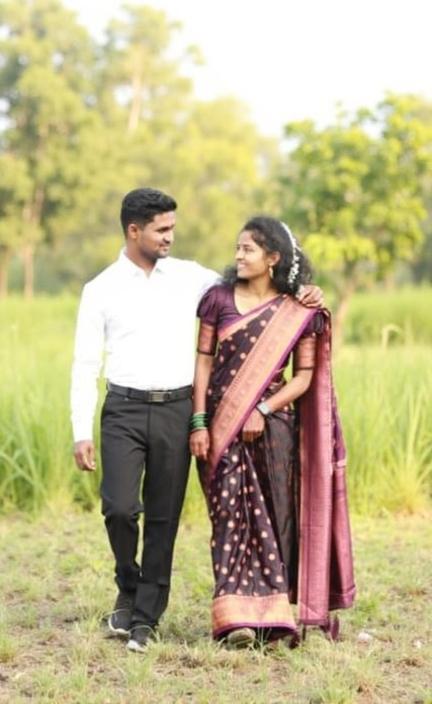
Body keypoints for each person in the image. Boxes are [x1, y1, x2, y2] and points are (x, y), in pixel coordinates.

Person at [71, 189, 324, 654]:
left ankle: (146, 616)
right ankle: (128, 584)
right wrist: (80, 430)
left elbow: (254, 288)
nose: (170, 236)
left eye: (172, 228)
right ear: (134, 230)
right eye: (161, 229)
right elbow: (85, 364)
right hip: (123, 409)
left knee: (164, 517)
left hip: (176, 410)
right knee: (120, 509)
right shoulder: (100, 289)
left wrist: (302, 287)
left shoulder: (191, 278)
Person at [190, 215, 355, 648]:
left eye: (248, 249)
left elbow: (303, 377)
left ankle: (275, 620)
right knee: (228, 517)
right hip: (220, 428)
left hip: (275, 429)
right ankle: (236, 620)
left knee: (277, 518)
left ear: (273, 258)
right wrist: (200, 420)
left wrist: (260, 407)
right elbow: (203, 363)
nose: (238, 256)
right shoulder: (217, 300)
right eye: (238, 248)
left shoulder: (298, 311)